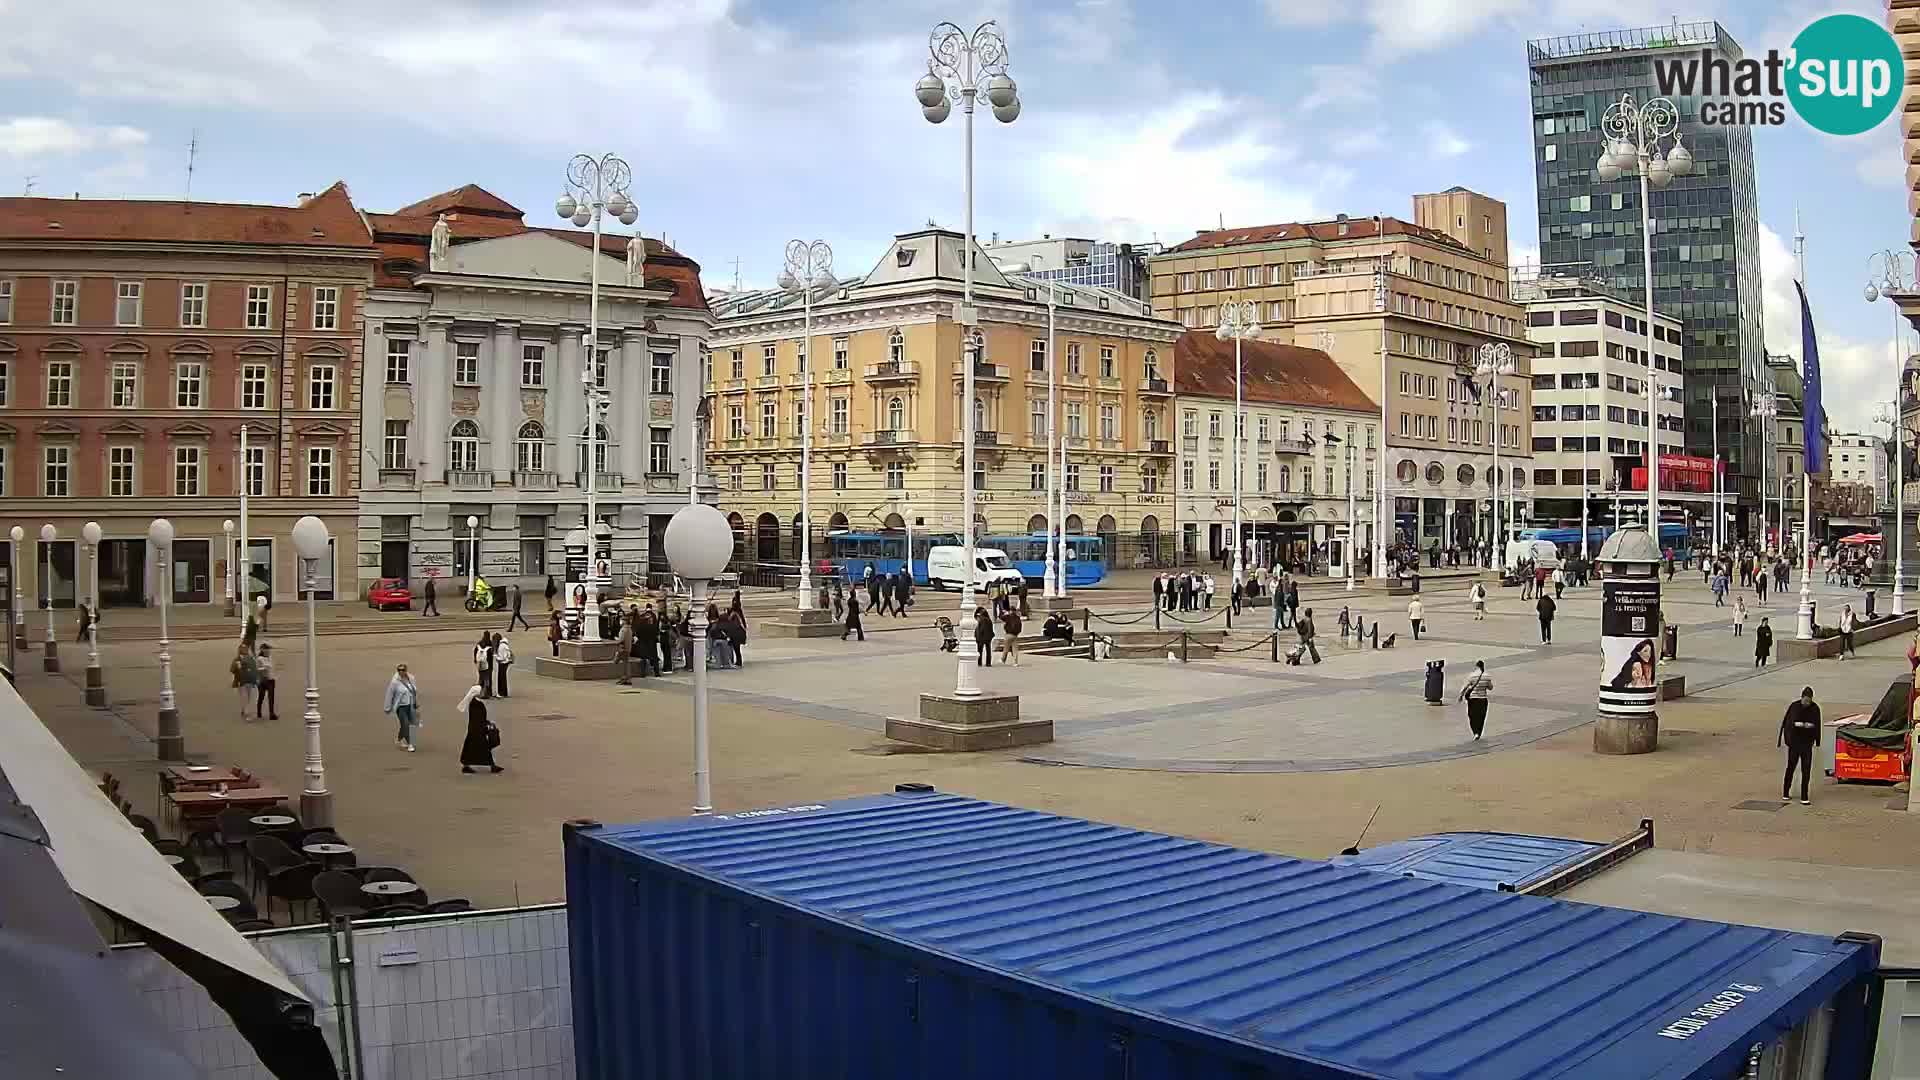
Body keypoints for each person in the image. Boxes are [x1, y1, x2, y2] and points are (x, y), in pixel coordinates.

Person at [1779, 686, 1820, 805]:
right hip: (1795, 743)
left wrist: (1815, 737)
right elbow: (1787, 723)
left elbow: (1817, 724)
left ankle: (1804, 796)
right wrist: (1789, 738)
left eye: (1809, 701)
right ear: (1802, 698)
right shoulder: (1794, 706)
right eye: (1805, 700)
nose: (1807, 703)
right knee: (1791, 767)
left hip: (1807, 743)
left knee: (1806, 769)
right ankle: (1786, 792)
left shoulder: (1815, 708)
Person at [457, 685, 504, 774]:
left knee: (470, 748)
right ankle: (492, 766)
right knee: (484, 750)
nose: (483, 693)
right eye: (481, 691)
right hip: (477, 730)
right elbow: (477, 719)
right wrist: (485, 726)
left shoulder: (475, 703)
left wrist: (486, 723)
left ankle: (466, 765)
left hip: (475, 729)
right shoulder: (475, 704)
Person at [383, 663, 420, 752]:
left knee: (407, 724)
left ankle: (399, 739)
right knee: (406, 724)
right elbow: (389, 694)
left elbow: (414, 691)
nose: (401, 671)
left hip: (410, 705)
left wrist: (416, 702)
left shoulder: (411, 678)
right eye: (399, 670)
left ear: (406, 670)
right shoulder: (394, 682)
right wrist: (387, 707)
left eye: (403, 670)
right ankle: (410, 744)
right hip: (400, 707)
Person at [1458, 660, 1493, 740]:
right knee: (1481, 717)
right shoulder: (1487, 676)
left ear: (1476, 666)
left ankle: (1475, 732)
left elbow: (1465, 687)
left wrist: (1461, 696)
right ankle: (1479, 732)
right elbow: (1490, 688)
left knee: (1472, 716)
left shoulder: (1471, 676)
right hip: (1483, 700)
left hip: (1473, 700)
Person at [229, 644, 258, 719]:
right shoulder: (236, 660)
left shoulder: (251, 658)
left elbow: (254, 669)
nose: (244, 650)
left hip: (249, 680)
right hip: (241, 681)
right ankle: (245, 711)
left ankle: (246, 710)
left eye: (245, 649)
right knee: (244, 696)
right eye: (242, 649)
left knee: (249, 696)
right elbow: (232, 671)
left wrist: (255, 679)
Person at [255, 643, 279, 721]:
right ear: (262, 650)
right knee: (261, 696)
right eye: (267, 649)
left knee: (271, 697)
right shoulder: (259, 659)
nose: (268, 651)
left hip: (271, 679)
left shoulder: (270, 657)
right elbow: (257, 669)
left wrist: (275, 675)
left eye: (269, 649)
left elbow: (272, 667)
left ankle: (271, 713)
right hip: (263, 680)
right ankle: (259, 712)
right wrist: (263, 668)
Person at [474, 632, 495, 698]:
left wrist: (475, 659)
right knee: (488, 679)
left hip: (480, 664)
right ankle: (487, 693)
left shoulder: (479, 643)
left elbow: (475, 651)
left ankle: (479, 692)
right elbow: (493, 652)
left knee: (481, 678)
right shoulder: (490, 643)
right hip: (488, 664)